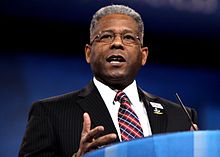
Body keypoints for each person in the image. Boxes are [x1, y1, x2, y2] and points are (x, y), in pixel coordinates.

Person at [19, 4, 198, 157]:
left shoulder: (181, 117)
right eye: (106, 36)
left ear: (143, 55)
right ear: (88, 53)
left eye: (128, 37)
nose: (117, 43)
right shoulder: (50, 113)